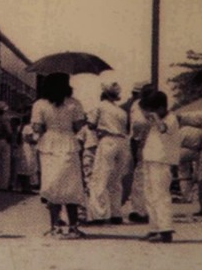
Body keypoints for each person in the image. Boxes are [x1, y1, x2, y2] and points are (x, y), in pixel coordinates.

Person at [31, 72, 87, 239]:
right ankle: (73, 227)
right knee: (72, 185)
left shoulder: (39, 104)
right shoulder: (75, 104)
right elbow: (79, 127)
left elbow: (38, 128)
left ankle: (55, 227)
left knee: (51, 185)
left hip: (49, 145)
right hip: (69, 143)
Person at [87, 82, 131, 225]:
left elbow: (91, 124)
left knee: (99, 178)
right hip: (122, 142)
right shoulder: (121, 111)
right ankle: (115, 213)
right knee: (115, 180)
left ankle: (99, 215)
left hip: (108, 141)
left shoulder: (100, 106)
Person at [139, 91, 181, 243]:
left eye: (152, 110)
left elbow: (163, 129)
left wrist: (156, 118)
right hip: (151, 159)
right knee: (149, 195)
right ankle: (155, 227)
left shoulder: (171, 119)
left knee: (160, 195)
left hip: (162, 161)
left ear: (161, 108)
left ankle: (165, 229)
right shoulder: (156, 121)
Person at [127, 83, 156, 223]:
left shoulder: (149, 108)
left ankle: (143, 210)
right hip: (139, 142)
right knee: (140, 177)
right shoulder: (136, 106)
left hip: (148, 142)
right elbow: (136, 128)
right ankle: (139, 209)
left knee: (145, 177)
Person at [176, 126, 202, 203]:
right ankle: (196, 195)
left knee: (183, 174)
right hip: (196, 152)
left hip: (181, 151)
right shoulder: (201, 131)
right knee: (198, 173)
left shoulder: (182, 130)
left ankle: (186, 195)